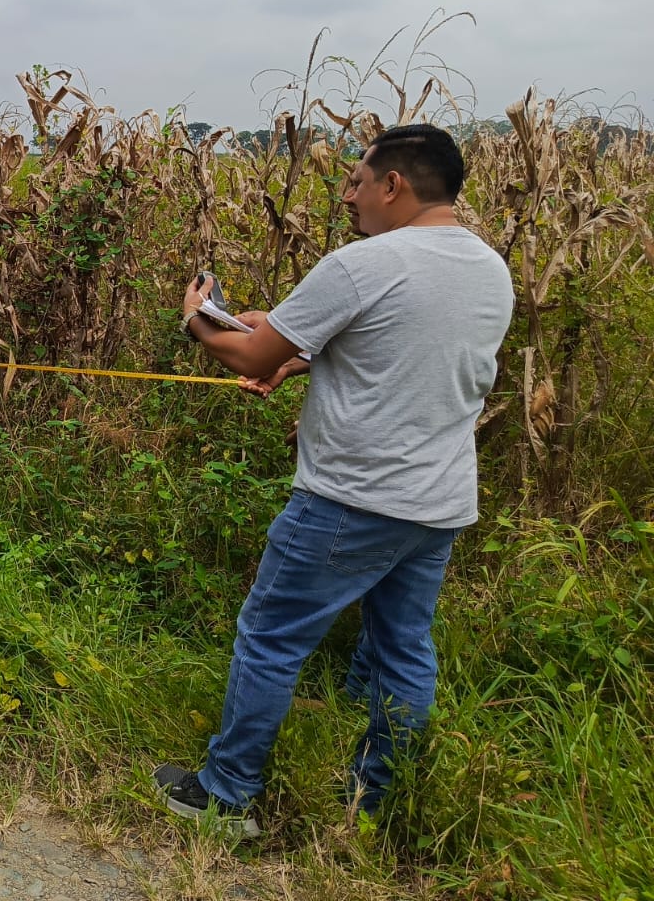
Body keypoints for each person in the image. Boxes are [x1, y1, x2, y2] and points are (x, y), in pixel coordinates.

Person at [153, 124, 513, 834]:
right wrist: (299, 354)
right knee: (402, 652)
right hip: (437, 505)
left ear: (393, 185)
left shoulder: (363, 264)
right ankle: (373, 807)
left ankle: (225, 796)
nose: (347, 195)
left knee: (270, 636)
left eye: (356, 180)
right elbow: (408, 351)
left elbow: (249, 358)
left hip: (351, 500)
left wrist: (198, 318)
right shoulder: (487, 268)